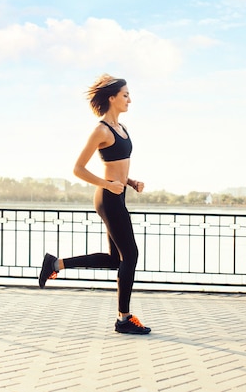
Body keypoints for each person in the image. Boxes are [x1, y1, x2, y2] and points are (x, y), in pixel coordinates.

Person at [39, 74, 150, 335]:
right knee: (130, 255)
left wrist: (130, 181)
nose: (129, 100)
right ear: (111, 98)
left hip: (118, 194)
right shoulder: (101, 130)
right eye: (125, 95)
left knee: (116, 260)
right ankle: (124, 319)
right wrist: (108, 184)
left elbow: (118, 165)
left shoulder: (122, 129)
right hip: (108, 197)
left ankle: (55, 265)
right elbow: (78, 168)